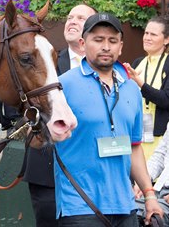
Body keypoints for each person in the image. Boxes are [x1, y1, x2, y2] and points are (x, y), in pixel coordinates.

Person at [55, 12, 163, 226]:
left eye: (112, 41)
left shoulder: (132, 88)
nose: (106, 47)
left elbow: (134, 147)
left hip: (125, 205)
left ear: (121, 47)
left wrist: (149, 195)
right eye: (98, 40)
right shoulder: (62, 85)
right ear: (83, 43)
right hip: (79, 205)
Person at [23, 4, 96, 227]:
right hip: (47, 172)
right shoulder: (44, 63)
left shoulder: (106, 70)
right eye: (70, 17)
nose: (72, 21)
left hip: (91, 172)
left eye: (81, 18)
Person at [124, 16, 169, 159]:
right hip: (138, 136)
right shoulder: (138, 62)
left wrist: (140, 83)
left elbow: (166, 100)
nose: (147, 38)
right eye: (146, 33)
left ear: (166, 40)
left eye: (153, 34)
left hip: (161, 139)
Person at [134, 123, 169, 226]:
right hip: (158, 189)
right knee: (126, 211)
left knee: (152, 219)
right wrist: (142, 183)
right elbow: (160, 155)